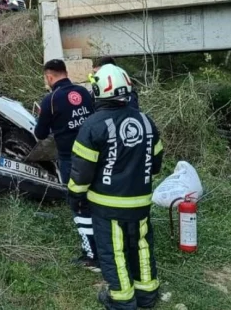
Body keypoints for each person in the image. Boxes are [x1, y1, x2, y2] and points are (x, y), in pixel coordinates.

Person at [68, 64, 164, 310]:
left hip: (107, 204)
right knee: (142, 246)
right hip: (140, 202)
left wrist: (75, 197)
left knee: (114, 251)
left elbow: (81, 172)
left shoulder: (93, 125)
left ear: (98, 91)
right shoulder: (145, 121)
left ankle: (122, 300)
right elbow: (155, 164)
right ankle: (147, 295)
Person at [34, 59, 100, 271]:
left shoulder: (50, 100)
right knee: (96, 200)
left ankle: (91, 255)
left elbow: (40, 134)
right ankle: (104, 245)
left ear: (49, 77)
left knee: (78, 204)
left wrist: (45, 119)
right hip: (95, 156)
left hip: (71, 160)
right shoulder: (84, 92)